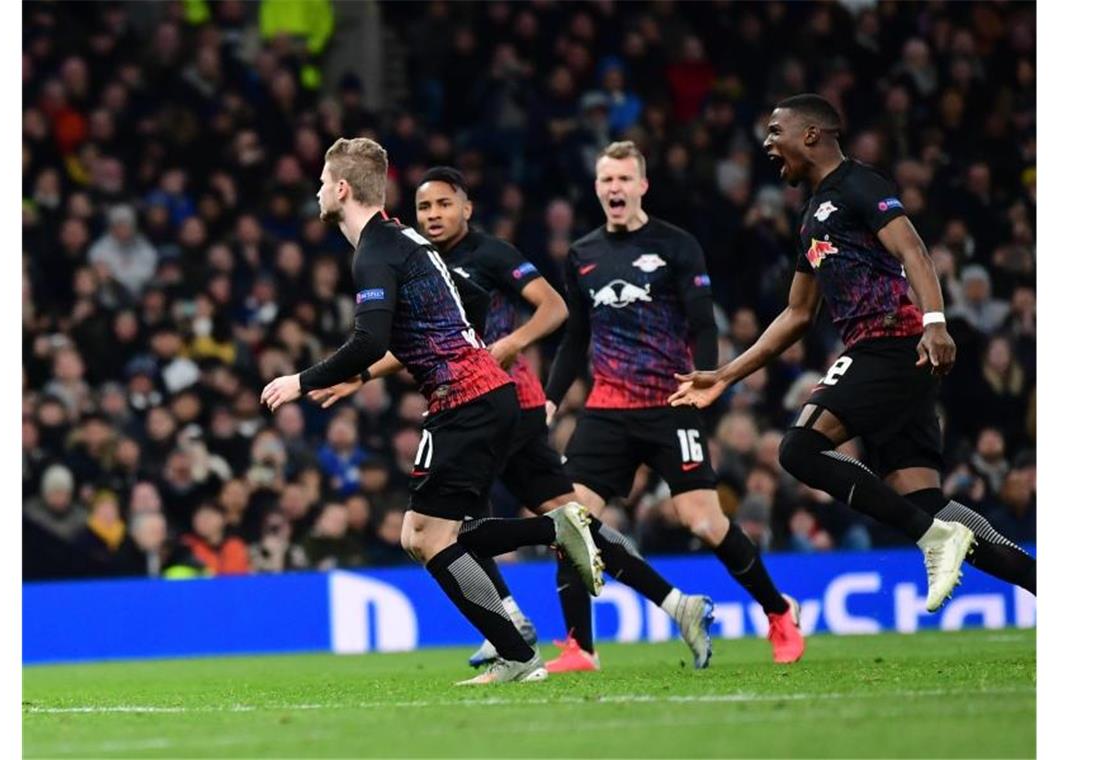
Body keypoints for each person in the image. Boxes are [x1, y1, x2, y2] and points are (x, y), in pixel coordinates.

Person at [312, 166, 716, 674]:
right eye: (424, 207)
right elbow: (431, 336)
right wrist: (366, 375)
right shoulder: (417, 254)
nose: (434, 215)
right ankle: (676, 603)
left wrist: (510, 344)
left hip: (501, 405)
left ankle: (510, 624)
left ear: (466, 207)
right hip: (488, 402)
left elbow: (554, 309)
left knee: (443, 528)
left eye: (443, 205)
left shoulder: (488, 253)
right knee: (542, 520)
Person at [259, 137, 604, 685]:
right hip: (485, 394)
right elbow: (469, 304)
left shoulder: (375, 252)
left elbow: (369, 338)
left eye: (324, 182)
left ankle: (534, 598)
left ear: (342, 189)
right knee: (435, 534)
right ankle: (531, 603)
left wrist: (300, 381)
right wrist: (388, 367)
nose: (319, 190)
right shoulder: (407, 242)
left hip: (464, 400)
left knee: (425, 537)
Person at [670, 94, 1035, 601]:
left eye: (776, 132)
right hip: (891, 355)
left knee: (799, 449)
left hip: (891, 342)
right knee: (927, 502)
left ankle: (935, 540)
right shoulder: (811, 214)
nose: (768, 144)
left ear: (812, 135)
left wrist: (935, 322)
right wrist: (726, 374)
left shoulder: (860, 184)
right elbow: (798, 314)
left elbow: (913, 249)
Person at [544, 140, 805, 664]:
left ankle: (778, 612)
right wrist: (551, 401)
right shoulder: (583, 254)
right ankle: (580, 646)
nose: (614, 188)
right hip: (608, 407)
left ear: (642, 185)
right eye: (606, 180)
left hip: (670, 402)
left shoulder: (676, 245)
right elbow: (575, 338)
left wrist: (708, 377)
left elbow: (702, 321)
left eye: (624, 179)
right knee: (568, 522)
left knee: (704, 523)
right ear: (597, 188)